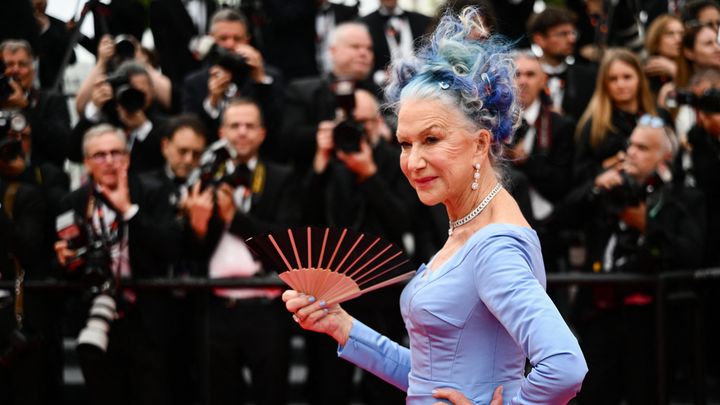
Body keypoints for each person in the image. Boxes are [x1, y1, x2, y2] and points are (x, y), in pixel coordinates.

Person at [284, 8, 587, 404]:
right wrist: (343, 327)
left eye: (431, 140)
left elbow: (565, 366)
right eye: (406, 144)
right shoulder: (470, 227)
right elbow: (428, 378)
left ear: (479, 144)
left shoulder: (494, 245)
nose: (413, 161)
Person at [569, 117, 705, 405]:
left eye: (642, 148)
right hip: (599, 316)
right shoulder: (608, 187)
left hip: (652, 324)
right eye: (630, 144)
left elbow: (691, 254)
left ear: (664, 156)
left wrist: (647, 226)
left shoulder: (684, 197)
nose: (631, 152)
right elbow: (557, 221)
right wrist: (594, 187)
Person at [185, 98, 300, 405]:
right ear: (222, 132)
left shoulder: (281, 177)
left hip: (268, 305)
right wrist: (196, 227)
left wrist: (235, 219)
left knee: (271, 393)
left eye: (249, 126)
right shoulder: (205, 178)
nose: (242, 133)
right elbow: (189, 249)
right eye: (234, 126)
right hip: (217, 306)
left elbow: (287, 243)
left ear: (262, 133)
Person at [573, 49, 660, 186]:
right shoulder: (593, 125)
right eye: (613, 79)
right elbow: (580, 175)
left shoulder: (658, 115)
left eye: (627, 77)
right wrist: (605, 167)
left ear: (639, 78)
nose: (620, 84)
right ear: (604, 84)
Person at [0, 39, 71, 168]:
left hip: (40, 180)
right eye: (9, 64)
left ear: (32, 69)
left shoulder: (52, 101)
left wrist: (25, 107)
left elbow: (64, 146)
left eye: (22, 64)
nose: (15, 70)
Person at [527, 6, 597, 122]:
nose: (571, 39)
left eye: (572, 33)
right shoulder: (523, 76)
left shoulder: (588, 77)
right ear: (539, 39)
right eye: (562, 34)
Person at [361, 0, 431, 87]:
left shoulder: (424, 21)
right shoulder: (364, 24)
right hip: (383, 90)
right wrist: (380, 76)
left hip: (422, 84)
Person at [643, 14, 685, 97]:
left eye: (682, 34)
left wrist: (674, 71)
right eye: (670, 34)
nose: (679, 39)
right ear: (656, 40)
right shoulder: (646, 71)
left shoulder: (694, 66)